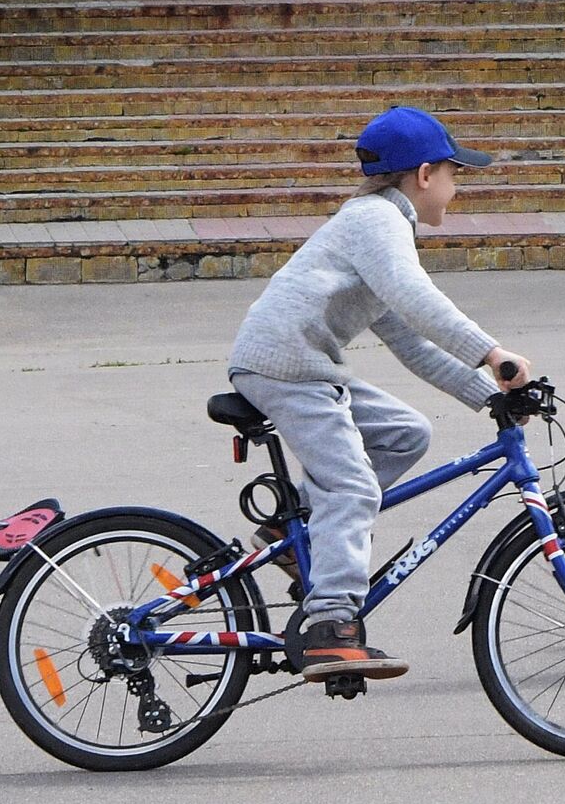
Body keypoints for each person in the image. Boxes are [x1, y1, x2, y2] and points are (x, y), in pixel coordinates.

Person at [226, 106, 533, 682]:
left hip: (303, 363)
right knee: (351, 485)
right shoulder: (378, 223)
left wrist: (486, 395)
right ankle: (331, 627)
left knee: (404, 432)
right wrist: (492, 352)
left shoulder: (374, 226)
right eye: (452, 172)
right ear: (423, 175)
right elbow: (418, 299)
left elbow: (408, 340)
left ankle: (289, 539)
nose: (455, 186)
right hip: (287, 367)